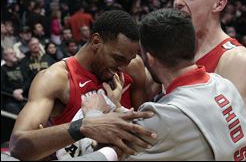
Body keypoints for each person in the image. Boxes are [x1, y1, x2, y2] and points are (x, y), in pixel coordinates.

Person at [80, 8, 246, 160]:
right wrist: (117, 107)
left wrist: (93, 116)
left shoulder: (164, 116)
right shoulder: (224, 85)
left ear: (150, 58)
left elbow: (100, 156)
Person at [9, 10, 157, 161]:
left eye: (129, 59)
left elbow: (144, 125)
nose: (123, 67)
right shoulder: (56, 78)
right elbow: (17, 146)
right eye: (118, 58)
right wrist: (83, 126)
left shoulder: (133, 65)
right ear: (96, 41)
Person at [173, 0, 246, 114]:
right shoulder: (172, 50)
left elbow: (227, 128)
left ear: (218, 4)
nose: (178, 2)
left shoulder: (237, 59)